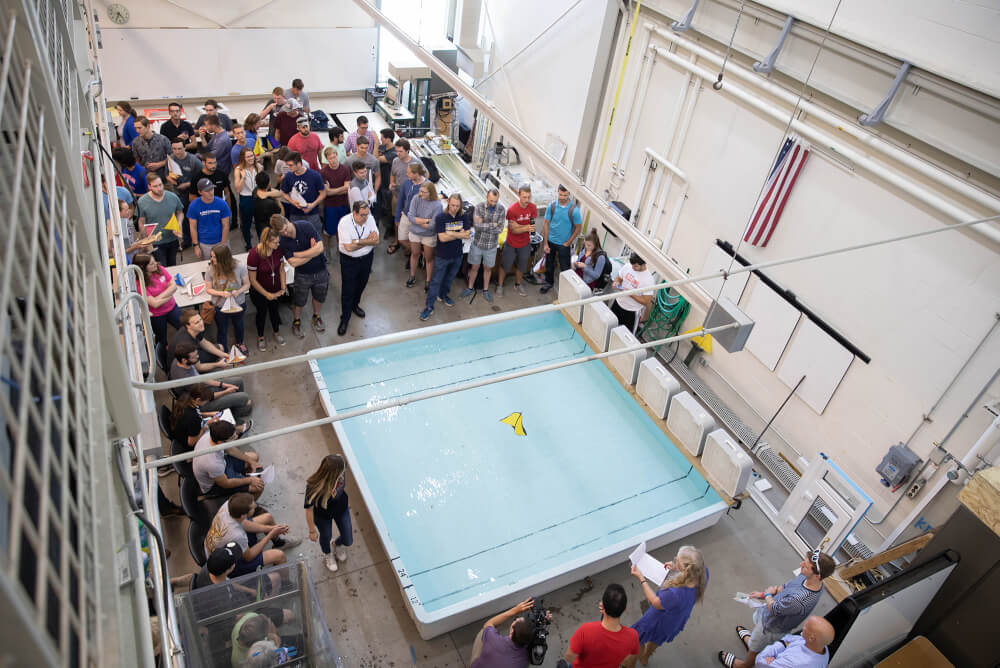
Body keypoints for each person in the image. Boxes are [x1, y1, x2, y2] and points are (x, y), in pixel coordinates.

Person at [719, 550, 835, 668]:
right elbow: (785, 587)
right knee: (757, 639)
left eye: (806, 566)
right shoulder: (809, 578)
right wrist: (763, 595)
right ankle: (754, 643)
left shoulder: (799, 600)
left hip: (771, 628)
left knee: (758, 644)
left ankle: (746, 663)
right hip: (769, 617)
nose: (801, 564)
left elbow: (774, 609)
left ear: (817, 575)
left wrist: (768, 595)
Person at [629, 545, 707, 666]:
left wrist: (641, 578)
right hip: (674, 620)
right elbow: (688, 575)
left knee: (638, 638)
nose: (675, 559)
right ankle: (646, 657)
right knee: (656, 639)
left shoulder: (675, 594)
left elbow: (655, 602)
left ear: (685, 569)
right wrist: (677, 568)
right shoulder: (703, 573)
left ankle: (631, 662)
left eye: (678, 560)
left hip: (659, 618)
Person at [204, 492, 301, 574]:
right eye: (252, 508)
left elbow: (245, 524)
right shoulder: (237, 535)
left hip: (219, 545)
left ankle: (279, 543)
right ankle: (285, 584)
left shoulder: (229, 505)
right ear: (243, 515)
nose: (255, 505)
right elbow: (248, 557)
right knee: (279, 555)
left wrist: (272, 528)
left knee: (267, 518)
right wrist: (270, 535)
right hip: (226, 563)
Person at [273, 214, 328, 338]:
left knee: (319, 296)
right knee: (299, 300)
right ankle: (296, 321)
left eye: (286, 228)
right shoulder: (283, 241)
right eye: (282, 232)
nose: (286, 233)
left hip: (320, 270)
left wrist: (298, 254)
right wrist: (312, 252)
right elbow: (293, 262)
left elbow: (320, 248)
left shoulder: (305, 226)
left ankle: (316, 316)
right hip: (302, 275)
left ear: (287, 220)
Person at [559, 584, 639, 668]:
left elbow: (569, 657)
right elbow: (630, 662)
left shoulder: (585, 631)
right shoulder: (633, 636)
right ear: (625, 608)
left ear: (602, 604)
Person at [420, 193, 470, 321]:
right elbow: (442, 238)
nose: (455, 208)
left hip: (457, 255)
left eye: (457, 206)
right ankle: (429, 307)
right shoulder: (441, 217)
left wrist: (450, 233)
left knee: (449, 279)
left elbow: (467, 235)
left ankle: (443, 295)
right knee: (436, 281)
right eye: (453, 205)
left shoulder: (464, 216)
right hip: (442, 256)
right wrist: (458, 233)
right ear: (449, 203)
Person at [169, 343, 253, 417]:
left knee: (239, 381)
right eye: (194, 357)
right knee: (244, 397)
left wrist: (223, 385)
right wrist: (226, 391)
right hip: (202, 403)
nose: (198, 357)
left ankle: (237, 404)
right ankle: (235, 412)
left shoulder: (178, 360)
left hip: (202, 390)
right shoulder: (188, 381)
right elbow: (208, 397)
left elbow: (202, 379)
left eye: (196, 354)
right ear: (184, 360)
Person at [304, 454, 354, 572]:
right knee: (325, 537)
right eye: (341, 471)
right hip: (323, 516)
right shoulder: (313, 487)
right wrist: (312, 530)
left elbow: (338, 456)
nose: (343, 473)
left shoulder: (340, 471)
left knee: (348, 539)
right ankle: (328, 554)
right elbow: (309, 509)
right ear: (333, 473)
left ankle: (337, 544)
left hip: (341, 509)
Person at [170, 384, 250, 455]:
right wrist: (206, 425)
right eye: (206, 401)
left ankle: (237, 429)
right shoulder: (192, 419)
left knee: (220, 424)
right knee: (221, 429)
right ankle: (236, 432)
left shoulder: (186, 400)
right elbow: (191, 443)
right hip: (193, 444)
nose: (207, 402)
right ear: (198, 400)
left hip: (188, 431)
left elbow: (197, 413)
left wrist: (210, 414)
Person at [337, 201, 379, 336]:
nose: (365, 218)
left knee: (362, 284)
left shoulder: (370, 219)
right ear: (354, 213)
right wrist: (368, 240)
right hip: (349, 261)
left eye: (367, 214)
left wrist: (358, 241)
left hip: (366, 259)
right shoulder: (344, 223)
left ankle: (355, 305)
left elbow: (376, 241)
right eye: (362, 215)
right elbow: (348, 248)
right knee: (348, 289)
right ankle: (345, 318)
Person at [192, 422, 262, 498]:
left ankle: (243, 480)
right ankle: (247, 507)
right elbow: (226, 484)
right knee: (259, 488)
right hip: (215, 484)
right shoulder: (212, 463)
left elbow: (230, 450)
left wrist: (251, 461)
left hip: (222, 465)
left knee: (253, 457)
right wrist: (250, 480)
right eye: (232, 437)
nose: (236, 436)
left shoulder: (211, 435)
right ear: (221, 442)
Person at [247, 226, 287, 351]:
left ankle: (276, 332)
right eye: (275, 242)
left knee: (275, 311)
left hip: (275, 289)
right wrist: (266, 294)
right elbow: (252, 280)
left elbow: (281, 269)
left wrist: (283, 286)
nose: (278, 244)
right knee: (262, 313)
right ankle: (261, 337)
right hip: (260, 292)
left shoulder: (278, 250)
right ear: (267, 242)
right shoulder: (254, 254)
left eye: (278, 241)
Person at [206, 244, 250, 354]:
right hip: (220, 306)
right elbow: (208, 289)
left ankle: (240, 343)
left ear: (223, 258)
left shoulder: (239, 267)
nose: (212, 259)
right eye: (211, 256)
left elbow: (247, 284)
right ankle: (223, 350)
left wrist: (238, 291)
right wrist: (221, 293)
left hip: (238, 304)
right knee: (222, 329)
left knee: (239, 325)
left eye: (215, 257)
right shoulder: (210, 269)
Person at [463, 189, 505, 302]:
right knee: (474, 268)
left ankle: (485, 290)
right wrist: (492, 225)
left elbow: (500, 229)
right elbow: (477, 227)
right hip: (477, 244)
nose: (493, 203)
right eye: (491, 200)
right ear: (487, 197)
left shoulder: (501, 209)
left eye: (495, 201)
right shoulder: (479, 207)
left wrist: (484, 224)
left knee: (487, 269)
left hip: (491, 246)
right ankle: (470, 287)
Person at [468, 599, 537, 668]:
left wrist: (514, 610)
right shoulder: (526, 658)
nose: (516, 619)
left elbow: (489, 624)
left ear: (512, 631)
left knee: (484, 631)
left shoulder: (493, 640)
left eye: (516, 620)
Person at [540, 185, 582, 294]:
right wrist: (545, 244)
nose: (562, 197)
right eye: (560, 194)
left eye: (565, 195)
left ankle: (566, 290)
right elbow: (546, 224)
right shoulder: (552, 206)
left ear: (569, 194)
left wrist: (569, 242)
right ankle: (548, 283)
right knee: (549, 264)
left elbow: (578, 228)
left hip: (564, 244)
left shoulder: (574, 210)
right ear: (557, 192)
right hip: (550, 241)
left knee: (565, 268)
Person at [132, 253, 180, 346]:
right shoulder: (139, 284)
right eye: (151, 264)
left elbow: (173, 286)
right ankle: (164, 356)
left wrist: (158, 298)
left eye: (155, 262)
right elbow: (154, 304)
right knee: (161, 340)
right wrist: (169, 296)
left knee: (185, 327)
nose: (155, 264)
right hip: (157, 316)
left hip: (172, 307)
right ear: (143, 267)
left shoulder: (159, 268)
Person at [136, 173, 185, 266]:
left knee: (172, 266)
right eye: (155, 186)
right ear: (149, 186)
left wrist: (179, 223)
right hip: (155, 243)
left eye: (160, 184)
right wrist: (145, 241)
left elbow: (180, 212)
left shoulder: (172, 197)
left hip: (172, 239)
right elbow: (141, 222)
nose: (159, 188)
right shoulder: (142, 201)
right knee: (162, 267)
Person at [498, 184, 536, 297]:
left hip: (525, 244)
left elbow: (532, 226)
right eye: (524, 197)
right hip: (511, 243)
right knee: (505, 265)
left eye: (529, 197)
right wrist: (525, 227)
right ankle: (500, 285)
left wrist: (520, 226)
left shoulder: (533, 208)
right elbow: (513, 230)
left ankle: (518, 284)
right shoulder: (512, 210)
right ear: (519, 195)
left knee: (522, 266)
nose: (527, 200)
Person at [752, 616, 834, 668]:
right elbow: (789, 638)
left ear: (812, 638)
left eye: (806, 626)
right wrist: (784, 644)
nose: (803, 625)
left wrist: (782, 645)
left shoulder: (794, 662)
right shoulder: (821, 647)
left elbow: (759, 662)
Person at [407, 181, 443, 291]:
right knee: (414, 254)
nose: (421, 193)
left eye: (424, 192)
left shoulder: (438, 205)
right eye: (420, 191)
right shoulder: (416, 198)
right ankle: (412, 276)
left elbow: (433, 226)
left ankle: (428, 281)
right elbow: (410, 217)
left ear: (431, 193)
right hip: (415, 233)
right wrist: (426, 221)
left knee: (429, 258)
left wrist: (417, 221)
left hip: (428, 235)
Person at [279, 151, 326, 236]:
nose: (288, 167)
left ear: (299, 164)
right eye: (288, 165)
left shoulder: (315, 175)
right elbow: (283, 192)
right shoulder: (288, 176)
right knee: (297, 237)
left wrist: (312, 205)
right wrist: (292, 202)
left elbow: (323, 193)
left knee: (315, 237)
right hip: (295, 214)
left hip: (312, 214)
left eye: (291, 165)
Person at [187, 178, 231, 258]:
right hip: (204, 244)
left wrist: (223, 244)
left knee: (225, 265)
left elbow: (226, 225)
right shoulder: (193, 206)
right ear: (200, 192)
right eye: (207, 191)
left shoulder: (222, 204)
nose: (211, 192)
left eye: (212, 189)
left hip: (220, 240)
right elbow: (192, 227)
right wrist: (196, 246)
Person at [611, 253, 655, 334]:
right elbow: (619, 277)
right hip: (617, 304)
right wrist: (616, 282)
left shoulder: (648, 279)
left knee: (626, 336)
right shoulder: (628, 266)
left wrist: (631, 294)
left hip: (631, 312)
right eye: (632, 265)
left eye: (635, 266)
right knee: (610, 328)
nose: (632, 268)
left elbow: (646, 301)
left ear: (643, 264)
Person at [392, 161, 426, 259]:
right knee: (402, 238)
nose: (406, 174)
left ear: (416, 174)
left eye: (409, 172)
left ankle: (414, 254)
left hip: (418, 219)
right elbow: (400, 200)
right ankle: (416, 252)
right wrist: (397, 217)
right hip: (406, 215)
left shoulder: (426, 185)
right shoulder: (406, 182)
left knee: (414, 239)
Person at [319, 146, 351, 250]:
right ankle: (326, 250)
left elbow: (347, 189)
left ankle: (340, 248)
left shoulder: (345, 169)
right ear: (326, 159)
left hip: (343, 204)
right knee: (328, 231)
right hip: (330, 206)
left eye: (334, 157)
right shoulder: (323, 172)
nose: (333, 160)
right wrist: (340, 190)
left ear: (337, 156)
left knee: (342, 229)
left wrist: (332, 191)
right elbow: (326, 193)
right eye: (330, 158)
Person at [233, 148, 260, 249]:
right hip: (246, 198)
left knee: (259, 221)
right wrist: (243, 178)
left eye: (252, 155)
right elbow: (237, 189)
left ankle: (262, 243)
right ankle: (248, 244)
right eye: (248, 156)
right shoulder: (238, 170)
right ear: (243, 158)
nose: (251, 158)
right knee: (246, 223)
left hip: (258, 197)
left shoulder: (258, 167)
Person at [165, 138, 202, 209]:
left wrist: (187, 184)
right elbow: (166, 174)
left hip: (192, 193)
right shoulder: (170, 159)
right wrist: (171, 180)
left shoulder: (194, 161)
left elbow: (203, 177)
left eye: (179, 149)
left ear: (185, 148)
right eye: (174, 149)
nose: (177, 152)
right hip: (177, 193)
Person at [132, 116, 172, 180]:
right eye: (136, 128)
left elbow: (173, 158)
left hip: (164, 177)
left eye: (139, 128)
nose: (137, 131)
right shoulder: (135, 142)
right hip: (146, 177)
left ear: (148, 126)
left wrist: (159, 164)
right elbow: (136, 160)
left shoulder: (163, 139)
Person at [252, 172, 283, 242]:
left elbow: (276, 192)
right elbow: (281, 215)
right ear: (268, 183)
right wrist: (278, 201)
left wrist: (268, 193)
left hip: (259, 226)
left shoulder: (255, 191)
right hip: (270, 230)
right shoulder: (270, 203)